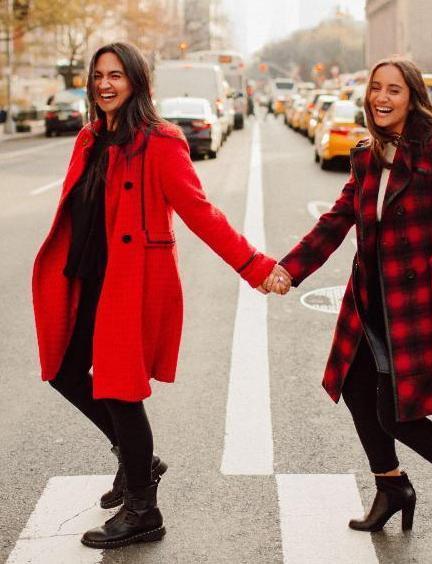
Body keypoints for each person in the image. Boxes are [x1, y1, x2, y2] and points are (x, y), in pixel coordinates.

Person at [31, 42, 291, 550]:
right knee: (63, 370)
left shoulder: (160, 142)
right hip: (87, 279)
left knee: (119, 389)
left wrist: (255, 267)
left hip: (130, 283)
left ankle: (144, 510)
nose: (106, 84)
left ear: (137, 83)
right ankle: (139, 462)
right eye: (99, 75)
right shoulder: (88, 138)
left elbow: (201, 213)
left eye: (117, 75)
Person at [263, 56, 432, 546]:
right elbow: (336, 221)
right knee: (358, 391)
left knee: (394, 412)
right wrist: (289, 269)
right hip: (369, 300)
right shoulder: (366, 154)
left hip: (417, 302)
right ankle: (392, 487)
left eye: (394, 90)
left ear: (413, 98)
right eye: (375, 88)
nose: (381, 98)